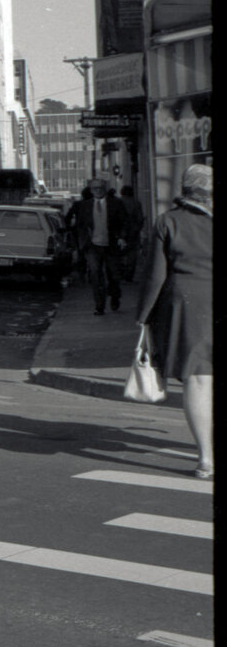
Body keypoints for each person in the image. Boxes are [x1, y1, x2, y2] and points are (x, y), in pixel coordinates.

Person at [132, 164, 212, 480]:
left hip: (187, 304)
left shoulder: (168, 222)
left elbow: (155, 277)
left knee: (198, 379)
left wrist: (143, 318)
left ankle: (206, 458)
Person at [67, 177, 130, 314]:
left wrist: (122, 237)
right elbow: (80, 226)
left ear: (105, 189)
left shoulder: (116, 203)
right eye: (95, 188)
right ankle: (99, 306)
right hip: (92, 246)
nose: (98, 191)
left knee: (113, 275)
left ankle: (114, 296)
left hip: (111, 245)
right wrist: (82, 244)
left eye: (100, 188)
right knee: (95, 274)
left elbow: (124, 222)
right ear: (91, 190)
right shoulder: (84, 206)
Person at [119, 184, 145, 282]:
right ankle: (129, 276)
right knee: (132, 255)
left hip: (120, 232)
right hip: (133, 232)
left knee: (119, 254)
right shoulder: (136, 203)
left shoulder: (118, 202)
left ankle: (120, 274)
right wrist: (138, 228)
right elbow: (140, 218)